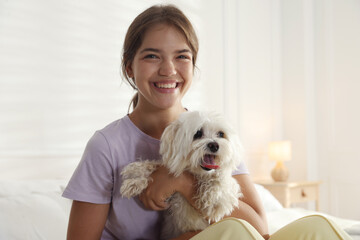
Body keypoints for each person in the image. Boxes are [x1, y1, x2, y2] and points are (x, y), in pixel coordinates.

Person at [62, 4, 351, 240]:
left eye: (181, 56)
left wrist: (182, 182)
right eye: (152, 56)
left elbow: (259, 228)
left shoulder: (214, 137)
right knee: (232, 232)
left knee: (320, 230)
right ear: (129, 66)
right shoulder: (107, 146)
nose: (168, 69)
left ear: (193, 65)